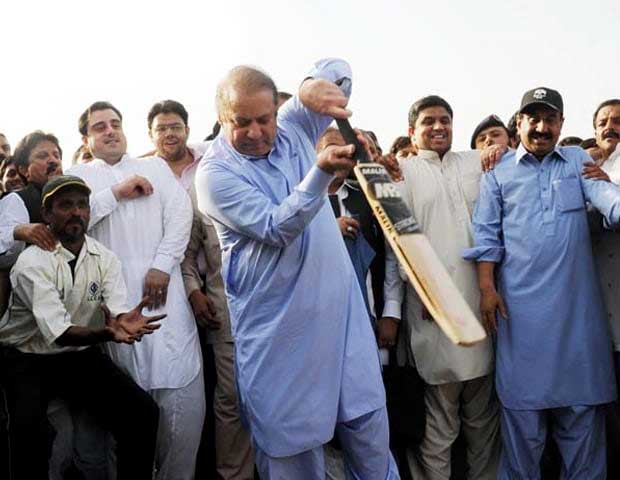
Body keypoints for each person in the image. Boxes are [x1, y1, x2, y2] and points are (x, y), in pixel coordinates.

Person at [196, 59, 399, 479]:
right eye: (242, 122)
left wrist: (309, 85)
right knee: (294, 458)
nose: (255, 132)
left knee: (371, 440)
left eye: (264, 120)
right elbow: (276, 226)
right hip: (281, 339)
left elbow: (340, 74)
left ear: (277, 110)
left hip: (342, 324)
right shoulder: (214, 174)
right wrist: (321, 171)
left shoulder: (292, 128)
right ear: (220, 120)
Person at [464, 87, 620, 479]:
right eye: (533, 118)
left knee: (582, 431)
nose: (541, 126)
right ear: (518, 124)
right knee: (523, 434)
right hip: (520, 319)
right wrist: (486, 289)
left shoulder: (576, 160)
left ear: (562, 125)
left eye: (550, 119)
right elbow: (486, 238)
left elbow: (607, 200)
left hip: (577, 323)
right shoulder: (498, 173)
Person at [69, 101, 204, 480]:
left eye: (115, 123)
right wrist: (117, 192)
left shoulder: (153, 167)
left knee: (181, 410)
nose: (110, 130)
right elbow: (72, 218)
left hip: (166, 296)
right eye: (99, 127)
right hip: (115, 307)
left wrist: (162, 264)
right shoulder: (78, 175)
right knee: (127, 417)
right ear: (86, 138)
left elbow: (180, 216)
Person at [0, 174, 161, 480]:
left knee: (143, 414)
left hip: (78, 354)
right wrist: (107, 332)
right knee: (30, 432)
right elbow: (60, 332)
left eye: (82, 205)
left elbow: (116, 312)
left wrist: (122, 320)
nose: (76, 212)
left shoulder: (105, 258)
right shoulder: (32, 262)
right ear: (47, 215)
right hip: (26, 356)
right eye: (65, 205)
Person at [383, 95, 499, 480]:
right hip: (433, 314)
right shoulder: (401, 172)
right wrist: (416, 298)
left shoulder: (474, 162)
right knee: (438, 428)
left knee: (483, 424)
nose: (438, 127)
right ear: (411, 131)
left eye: (445, 120)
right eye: (429, 121)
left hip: (482, 308)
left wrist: (497, 150)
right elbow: (398, 246)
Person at [147, 98, 254, 479]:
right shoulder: (188, 186)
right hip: (211, 309)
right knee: (227, 401)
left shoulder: (269, 180)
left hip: (272, 316)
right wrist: (194, 292)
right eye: (161, 128)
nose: (169, 133)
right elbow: (188, 255)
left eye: (175, 126)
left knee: (273, 400)